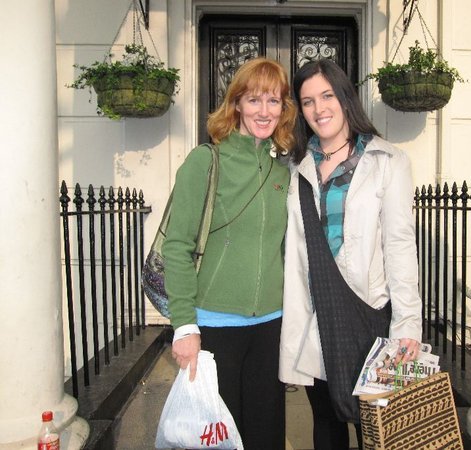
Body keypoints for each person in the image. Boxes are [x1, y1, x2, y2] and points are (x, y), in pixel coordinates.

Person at [279, 58, 423, 450]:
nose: (318, 109)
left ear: (345, 98)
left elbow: (399, 245)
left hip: (368, 315)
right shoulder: (294, 167)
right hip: (317, 317)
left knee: (377, 428)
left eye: (327, 96)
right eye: (307, 101)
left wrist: (408, 323)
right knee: (325, 426)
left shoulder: (387, 161)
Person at [163, 57, 296, 450]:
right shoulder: (205, 160)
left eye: (274, 101)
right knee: (218, 435)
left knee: (266, 433)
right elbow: (177, 245)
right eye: (254, 100)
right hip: (215, 324)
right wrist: (185, 326)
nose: (264, 111)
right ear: (236, 104)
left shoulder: (282, 171)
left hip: (271, 324)